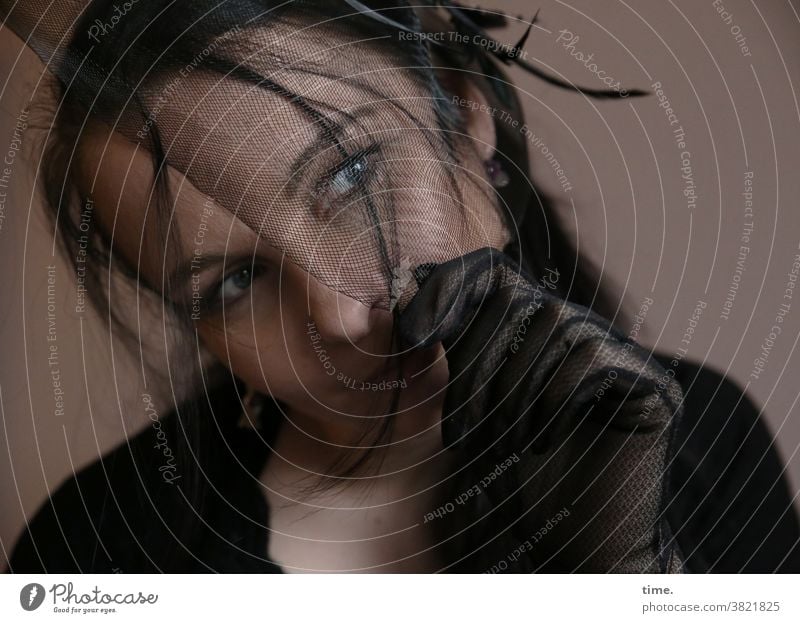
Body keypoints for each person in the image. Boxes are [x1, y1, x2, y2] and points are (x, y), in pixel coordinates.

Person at [4, 0, 799, 573]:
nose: (341, 316)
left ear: (461, 110)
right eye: (237, 283)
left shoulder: (702, 444)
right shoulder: (97, 548)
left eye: (350, 176)